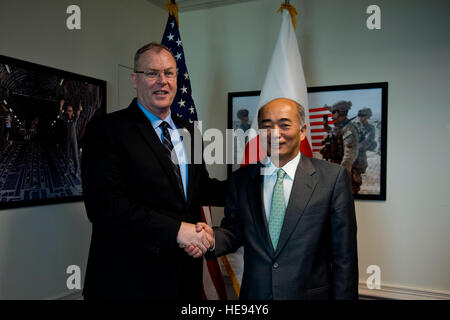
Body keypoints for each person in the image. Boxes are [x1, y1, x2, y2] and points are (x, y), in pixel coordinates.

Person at [81, 42, 226, 300]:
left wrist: (257, 178)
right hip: (129, 282)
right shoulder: (107, 130)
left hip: (184, 279)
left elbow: (198, 189)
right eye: (152, 73)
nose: (162, 81)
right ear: (135, 79)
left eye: (169, 73)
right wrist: (178, 230)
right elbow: (105, 207)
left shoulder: (189, 130)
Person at [185, 98, 358, 300]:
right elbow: (234, 231)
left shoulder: (333, 178)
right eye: (267, 126)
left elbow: (344, 257)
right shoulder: (242, 180)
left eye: (284, 125)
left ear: (302, 131)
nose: (275, 134)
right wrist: (211, 239)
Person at [320, 100, 360, 193]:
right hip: (337, 170)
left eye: (334, 112)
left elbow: (349, 157)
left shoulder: (348, 129)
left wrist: (341, 176)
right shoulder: (339, 127)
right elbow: (333, 133)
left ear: (341, 112)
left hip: (345, 174)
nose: (331, 115)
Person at [352, 107, 377, 194]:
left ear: (368, 116)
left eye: (363, 116)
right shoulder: (354, 125)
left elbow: (367, 142)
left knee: (356, 175)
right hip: (350, 155)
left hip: (360, 157)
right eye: (359, 115)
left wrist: (353, 148)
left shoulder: (370, 128)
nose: (361, 118)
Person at [59, 100, 82, 175]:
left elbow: (78, 112)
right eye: (68, 110)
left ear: (72, 111)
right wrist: (61, 106)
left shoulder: (74, 118)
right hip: (68, 139)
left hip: (74, 140)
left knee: (75, 156)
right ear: (67, 111)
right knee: (67, 156)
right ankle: (67, 170)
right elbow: (60, 116)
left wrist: (79, 109)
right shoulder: (66, 119)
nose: (70, 111)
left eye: (71, 110)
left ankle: (76, 171)